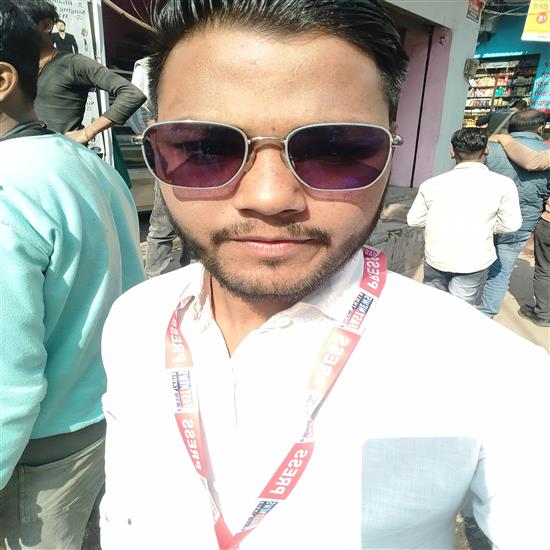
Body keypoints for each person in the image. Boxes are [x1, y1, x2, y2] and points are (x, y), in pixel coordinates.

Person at [100, 2, 550, 549]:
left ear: (391, 149)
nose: (270, 197)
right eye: (204, 149)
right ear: (155, 150)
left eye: (335, 151)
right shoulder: (135, 320)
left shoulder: (493, 372)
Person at [0, 1, 145, 548]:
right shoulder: (86, 164)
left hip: (30, 452)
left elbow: (7, 383)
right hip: (99, 420)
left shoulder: (7, 190)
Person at [407, 128, 522, 304]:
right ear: (486, 150)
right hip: (474, 260)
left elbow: (414, 220)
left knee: (432, 304)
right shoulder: (504, 184)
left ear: (452, 152)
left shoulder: (431, 184)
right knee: (460, 309)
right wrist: (487, 226)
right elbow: (511, 224)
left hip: (437, 256)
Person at [19, 0, 145, 146]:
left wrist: (88, 132)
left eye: (19, 24)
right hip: (23, 153)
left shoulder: (73, 63)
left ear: (46, 25)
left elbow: (132, 94)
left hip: (62, 154)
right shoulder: (17, 69)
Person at [478, 109, 550, 318]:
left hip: (485, 217)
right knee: (501, 269)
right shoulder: (545, 154)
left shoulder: (489, 148)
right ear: (539, 128)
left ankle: (463, 301)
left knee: (472, 261)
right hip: (522, 222)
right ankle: (486, 314)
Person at [127, 56, 191, 278]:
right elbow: (136, 108)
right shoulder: (149, 65)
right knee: (163, 225)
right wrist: (155, 134)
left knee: (195, 224)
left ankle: (194, 278)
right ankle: (154, 283)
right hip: (171, 156)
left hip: (205, 154)